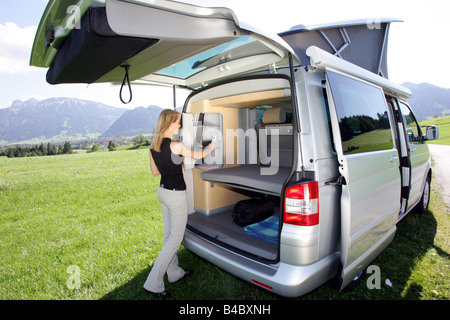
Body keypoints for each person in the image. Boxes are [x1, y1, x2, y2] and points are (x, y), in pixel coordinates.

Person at [143, 109, 216, 299]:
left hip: (163, 192)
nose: (180, 125)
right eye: (177, 122)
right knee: (175, 239)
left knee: (168, 236)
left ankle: (174, 273)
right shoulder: (175, 145)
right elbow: (199, 155)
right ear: (169, 124)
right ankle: (153, 283)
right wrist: (213, 145)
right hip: (175, 195)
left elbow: (154, 172)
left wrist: (168, 165)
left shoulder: (154, 146)